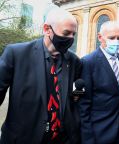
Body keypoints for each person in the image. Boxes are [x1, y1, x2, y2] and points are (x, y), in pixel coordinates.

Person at [0, 7, 81, 144]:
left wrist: (77, 97)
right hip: (23, 138)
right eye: (66, 33)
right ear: (47, 29)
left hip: (62, 139)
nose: (71, 39)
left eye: (74, 34)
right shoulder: (16, 54)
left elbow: (77, 92)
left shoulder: (74, 61)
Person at [79, 21, 119, 144]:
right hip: (98, 131)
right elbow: (82, 104)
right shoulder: (87, 62)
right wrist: (87, 138)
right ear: (100, 37)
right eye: (112, 38)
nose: (116, 41)